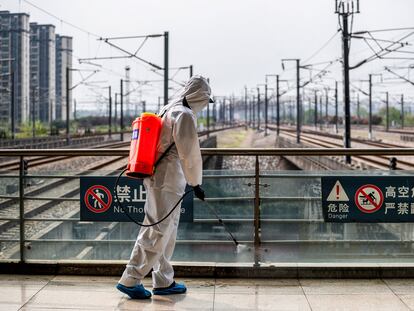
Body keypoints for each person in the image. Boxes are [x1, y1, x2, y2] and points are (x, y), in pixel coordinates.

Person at [116, 75, 212, 299]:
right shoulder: (184, 115)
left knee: (166, 230)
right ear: (200, 97)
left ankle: (163, 280)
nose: (205, 106)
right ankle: (130, 279)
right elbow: (189, 153)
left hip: (160, 177)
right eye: (206, 101)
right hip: (167, 180)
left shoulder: (169, 109)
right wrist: (196, 182)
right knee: (157, 229)